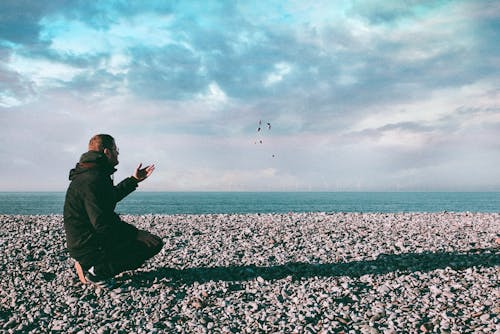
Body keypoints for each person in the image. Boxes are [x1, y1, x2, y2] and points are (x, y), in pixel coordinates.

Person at [63, 134, 163, 288]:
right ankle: (96, 270)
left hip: (83, 241)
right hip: (88, 244)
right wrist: (136, 233)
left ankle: (89, 262)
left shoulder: (91, 173)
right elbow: (102, 223)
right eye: (116, 150)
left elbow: (108, 198)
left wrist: (133, 180)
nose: (118, 153)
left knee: (145, 241)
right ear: (106, 152)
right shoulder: (93, 178)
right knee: (152, 244)